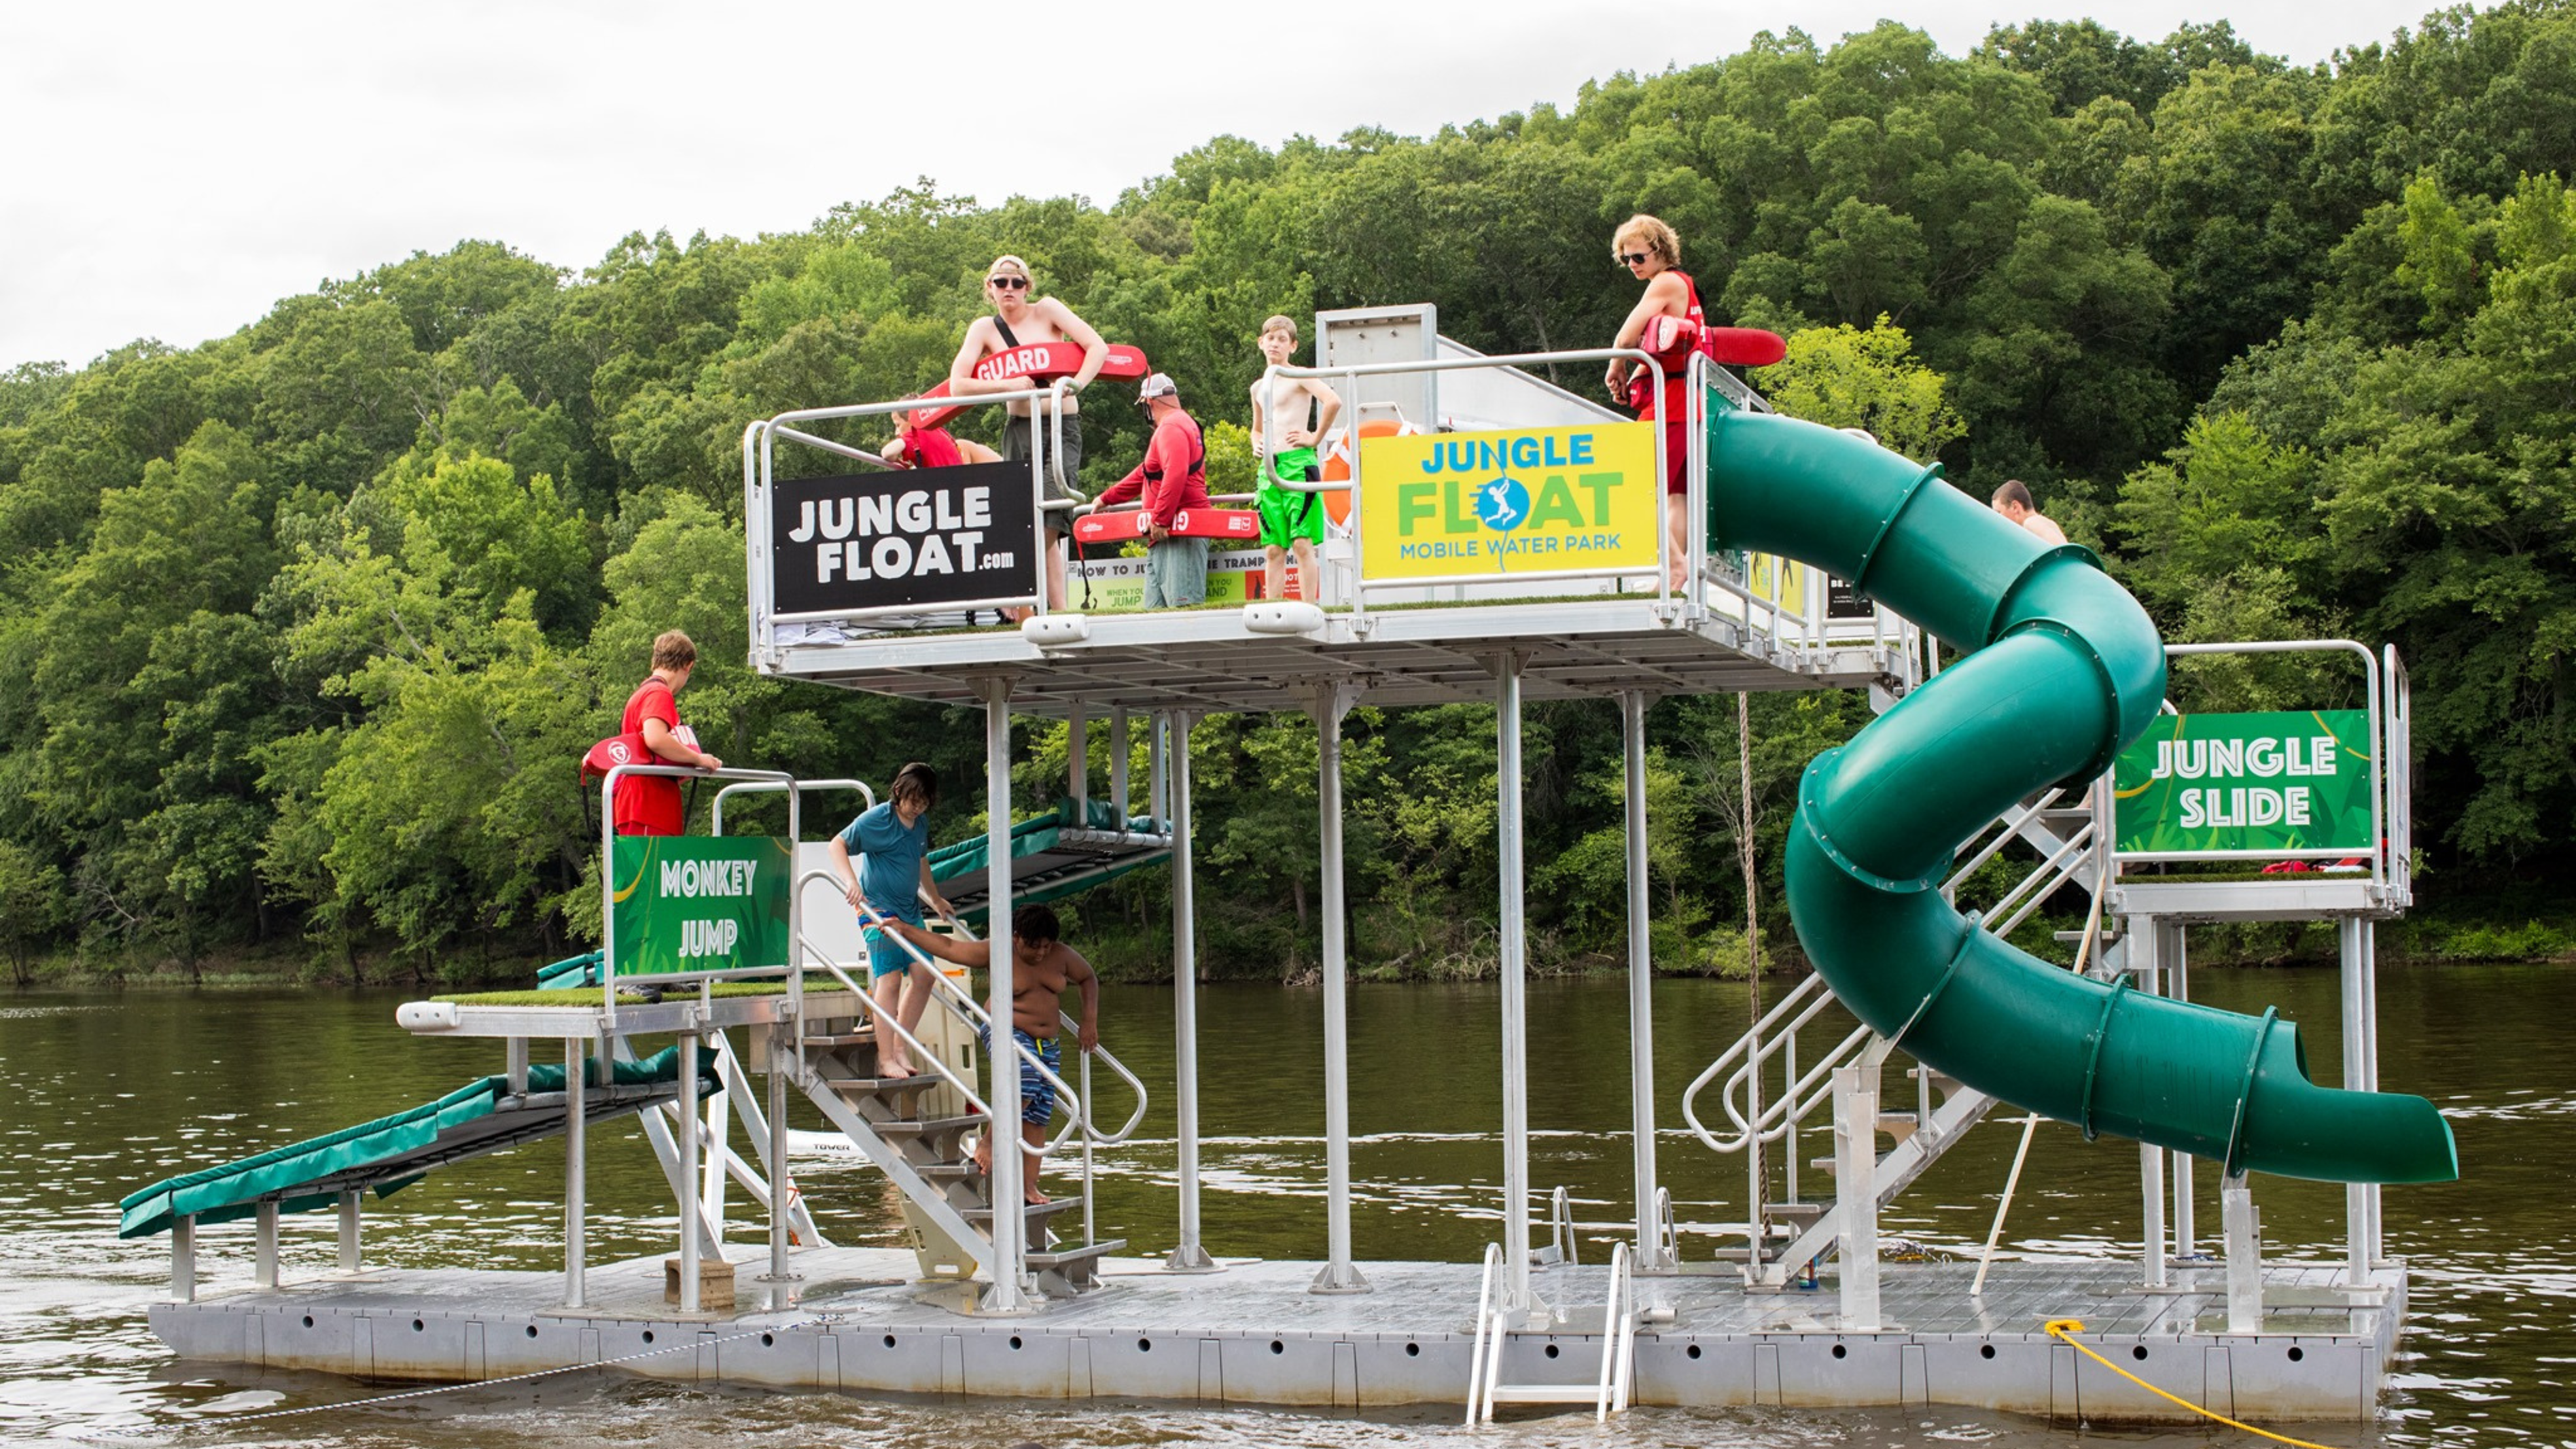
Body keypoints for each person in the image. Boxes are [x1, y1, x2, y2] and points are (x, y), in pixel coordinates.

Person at [885, 903, 1099, 1205]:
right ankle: (987, 1144)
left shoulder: (1060, 955)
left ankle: (1028, 1186)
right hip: (1006, 1032)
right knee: (1023, 1086)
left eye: (1046, 947)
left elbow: (1088, 978)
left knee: (1038, 1114)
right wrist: (906, 929)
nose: (1040, 953)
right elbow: (949, 947)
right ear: (1016, 937)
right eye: (1033, 946)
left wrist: (1089, 1021)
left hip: (1047, 1045)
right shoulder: (997, 950)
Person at [948, 256, 1108, 610]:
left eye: (1017, 283)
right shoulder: (983, 329)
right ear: (989, 288)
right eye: (1001, 282)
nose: (1009, 289)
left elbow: (1099, 347)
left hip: (1059, 425)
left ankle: (1021, 594)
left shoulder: (1048, 310)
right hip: (1019, 429)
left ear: (1028, 288)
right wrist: (1008, 385)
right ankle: (1052, 607)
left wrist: (1074, 385)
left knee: (1051, 515)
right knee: (1025, 518)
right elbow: (958, 385)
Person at [826, 761, 957, 1079]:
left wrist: (936, 898)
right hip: (877, 909)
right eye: (914, 801)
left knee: (925, 976)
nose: (918, 808)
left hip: (909, 910)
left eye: (925, 802)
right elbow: (837, 844)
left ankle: (900, 1046)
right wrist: (851, 882)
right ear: (898, 792)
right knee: (891, 980)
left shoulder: (921, 824)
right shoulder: (878, 820)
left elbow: (921, 860)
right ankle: (885, 1058)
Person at [1602, 214, 1705, 593]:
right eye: (1626, 259)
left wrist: (1616, 365)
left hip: (1668, 405)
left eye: (1638, 258)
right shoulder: (1685, 286)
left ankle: (1675, 566)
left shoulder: (1664, 282)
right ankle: (1674, 573)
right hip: (1684, 402)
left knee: (1632, 485)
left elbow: (1626, 336)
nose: (1632, 265)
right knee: (1675, 494)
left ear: (1660, 252)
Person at [1091, 374, 1210, 609]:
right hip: (1166, 534)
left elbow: (1175, 473)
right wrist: (1107, 498)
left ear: (1149, 403)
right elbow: (1146, 473)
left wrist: (1161, 518)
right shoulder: (1180, 423)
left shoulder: (1171, 427)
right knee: (1155, 616)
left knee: (1182, 613)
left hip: (1178, 531)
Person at [1248, 315, 1342, 602]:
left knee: (1302, 543)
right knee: (1274, 548)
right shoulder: (1258, 387)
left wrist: (1313, 437)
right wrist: (1256, 443)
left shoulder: (1299, 375)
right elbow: (1257, 428)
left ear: (1293, 346)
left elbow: (1333, 401)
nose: (1275, 344)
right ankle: (1272, 608)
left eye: (1282, 339)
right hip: (1270, 469)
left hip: (1299, 464)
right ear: (1261, 342)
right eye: (1271, 338)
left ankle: (1309, 607)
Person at [612, 630, 722, 837]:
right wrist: (698, 758)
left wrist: (682, 766)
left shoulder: (643, 691)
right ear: (688, 665)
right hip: (648, 804)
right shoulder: (659, 693)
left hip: (642, 801)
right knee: (650, 868)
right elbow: (656, 739)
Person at [881, 396, 1002, 469]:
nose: (897, 432)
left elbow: (887, 453)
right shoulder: (938, 430)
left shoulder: (916, 436)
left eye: (898, 425)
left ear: (911, 421)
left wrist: (898, 461)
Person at [1990, 480, 2070, 545]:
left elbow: (2060, 552)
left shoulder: (2031, 523)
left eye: (1999, 513)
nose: (1998, 519)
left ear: (2015, 507)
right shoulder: (2047, 522)